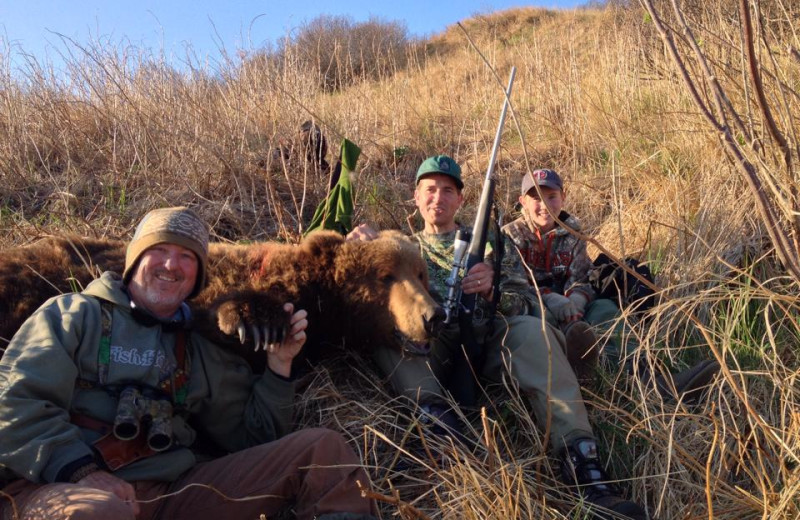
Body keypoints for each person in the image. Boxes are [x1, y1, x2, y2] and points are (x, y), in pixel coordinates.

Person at [0, 207, 377, 520]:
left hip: (171, 494)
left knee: (322, 453)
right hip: (57, 488)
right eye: (158, 250)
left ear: (198, 275)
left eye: (186, 256)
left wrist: (279, 367)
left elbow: (251, 438)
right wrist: (82, 473)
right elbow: (13, 406)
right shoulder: (74, 315)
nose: (170, 264)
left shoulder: (198, 344)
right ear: (134, 261)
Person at [348, 156, 649, 520]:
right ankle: (442, 434)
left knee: (534, 333)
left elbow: (524, 298)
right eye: (430, 189)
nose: (437, 198)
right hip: (432, 349)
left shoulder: (492, 242)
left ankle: (586, 470)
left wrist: (492, 291)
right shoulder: (402, 246)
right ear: (415, 197)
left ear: (460, 200)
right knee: (389, 336)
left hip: (490, 341)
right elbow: (360, 289)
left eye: (448, 190)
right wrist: (360, 243)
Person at [502, 168, 720, 399]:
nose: (545, 205)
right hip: (535, 306)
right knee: (541, 319)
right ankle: (584, 373)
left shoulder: (573, 234)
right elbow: (513, 286)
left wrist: (577, 298)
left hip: (569, 306)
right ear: (522, 202)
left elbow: (582, 276)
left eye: (552, 197)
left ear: (563, 197)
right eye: (536, 198)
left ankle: (649, 379)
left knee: (604, 309)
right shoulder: (510, 235)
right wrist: (548, 299)